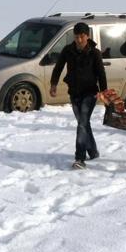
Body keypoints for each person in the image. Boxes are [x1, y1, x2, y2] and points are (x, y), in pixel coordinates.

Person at [50, 22, 108, 169]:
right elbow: (58, 67)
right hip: (74, 93)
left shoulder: (94, 53)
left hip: (90, 93)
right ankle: (93, 151)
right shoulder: (68, 50)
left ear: (87, 36)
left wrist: (104, 92)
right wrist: (53, 84)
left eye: (82, 36)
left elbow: (101, 73)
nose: (79, 40)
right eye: (76, 37)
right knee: (83, 123)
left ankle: (80, 158)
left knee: (82, 123)